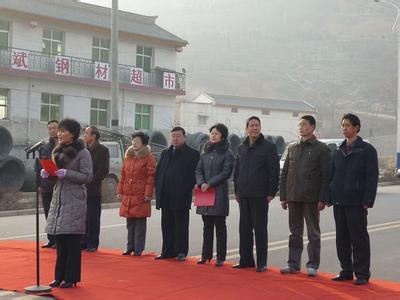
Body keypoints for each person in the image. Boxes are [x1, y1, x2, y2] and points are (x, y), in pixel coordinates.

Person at [43, 118, 93, 288]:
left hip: (74, 199)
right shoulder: (58, 151)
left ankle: (71, 278)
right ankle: (59, 276)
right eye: (58, 131)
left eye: (62, 131)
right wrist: (48, 173)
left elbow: (87, 177)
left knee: (71, 242)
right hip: (59, 199)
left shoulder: (83, 153)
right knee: (60, 242)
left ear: (72, 134)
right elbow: (57, 176)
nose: (58, 133)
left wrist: (68, 173)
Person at [329, 113, 378, 285]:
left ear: (357, 127)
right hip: (339, 200)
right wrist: (329, 196)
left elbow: (372, 178)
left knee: (359, 238)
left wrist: (368, 200)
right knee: (342, 238)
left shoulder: (367, 150)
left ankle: (362, 273)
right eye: (343, 125)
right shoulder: (338, 150)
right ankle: (346, 270)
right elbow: (332, 175)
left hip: (356, 201)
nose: (344, 128)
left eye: (348, 125)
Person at [279, 115, 332, 277]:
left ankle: (313, 265)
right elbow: (285, 173)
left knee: (313, 233)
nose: (301, 127)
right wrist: (283, 196)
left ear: (312, 127)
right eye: (299, 125)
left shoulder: (321, 149)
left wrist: (323, 198)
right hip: (293, 196)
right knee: (294, 232)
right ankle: (293, 264)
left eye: (304, 124)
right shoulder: (292, 148)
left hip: (311, 197)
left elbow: (326, 176)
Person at [233, 116, 279, 272]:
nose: (254, 128)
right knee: (244, 229)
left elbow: (274, 171)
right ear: (246, 128)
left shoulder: (268, 147)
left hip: (260, 195)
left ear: (260, 128)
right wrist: (237, 191)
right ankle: (245, 260)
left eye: (257, 125)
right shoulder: (241, 147)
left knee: (259, 229)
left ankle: (261, 263)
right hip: (243, 194)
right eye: (251, 125)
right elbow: (237, 171)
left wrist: (271, 192)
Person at [155, 127, 200, 261]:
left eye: (178, 136)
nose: (175, 138)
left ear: (184, 137)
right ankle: (167, 251)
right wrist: (158, 188)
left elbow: (194, 174)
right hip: (166, 194)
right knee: (166, 224)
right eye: (173, 136)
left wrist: (186, 188)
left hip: (181, 194)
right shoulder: (165, 153)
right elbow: (159, 172)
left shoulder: (192, 154)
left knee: (181, 225)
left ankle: (181, 251)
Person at [195, 123, 234, 267]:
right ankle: (206, 255)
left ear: (222, 136)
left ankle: (221, 257)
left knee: (220, 226)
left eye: (216, 133)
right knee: (207, 226)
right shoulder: (205, 152)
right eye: (212, 133)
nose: (213, 135)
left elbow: (226, 173)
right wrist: (201, 183)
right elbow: (198, 170)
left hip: (218, 192)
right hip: (205, 192)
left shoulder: (227, 153)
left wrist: (209, 183)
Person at [117, 132, 156, 256]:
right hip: (128, 193)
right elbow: (123, 175)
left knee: (140, 223)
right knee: (130, 223)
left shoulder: (149, 158)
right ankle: (130, 247)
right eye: (133, 140)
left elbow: (151, 177)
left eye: (137, 141)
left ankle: (138, 249)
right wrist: (119, 190)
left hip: (141, 194)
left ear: (144, 143)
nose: (134, 143)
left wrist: (148, 194)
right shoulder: (129, 156)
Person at [82, 126, 109, 252]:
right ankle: (83, 242)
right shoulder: (82, 149)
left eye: (87, 133)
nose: (84, 135)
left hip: (93, 190)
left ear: (94, 136)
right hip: (80, 190)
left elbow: (103, 171)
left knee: (93, 218)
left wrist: (89, 180)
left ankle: (92, 243)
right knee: (82, 218)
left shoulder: (102, 150)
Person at [35, 119, 58, 249]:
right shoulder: (44, 146)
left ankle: (58, 240)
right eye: (50, 128)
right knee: (48, 212)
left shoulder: (62, 146)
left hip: (58, 183)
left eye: (55, 128)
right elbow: (39, 167)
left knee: (57, 213)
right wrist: (39, 183)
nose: (52, 130)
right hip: (46, 184)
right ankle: (51, 239)